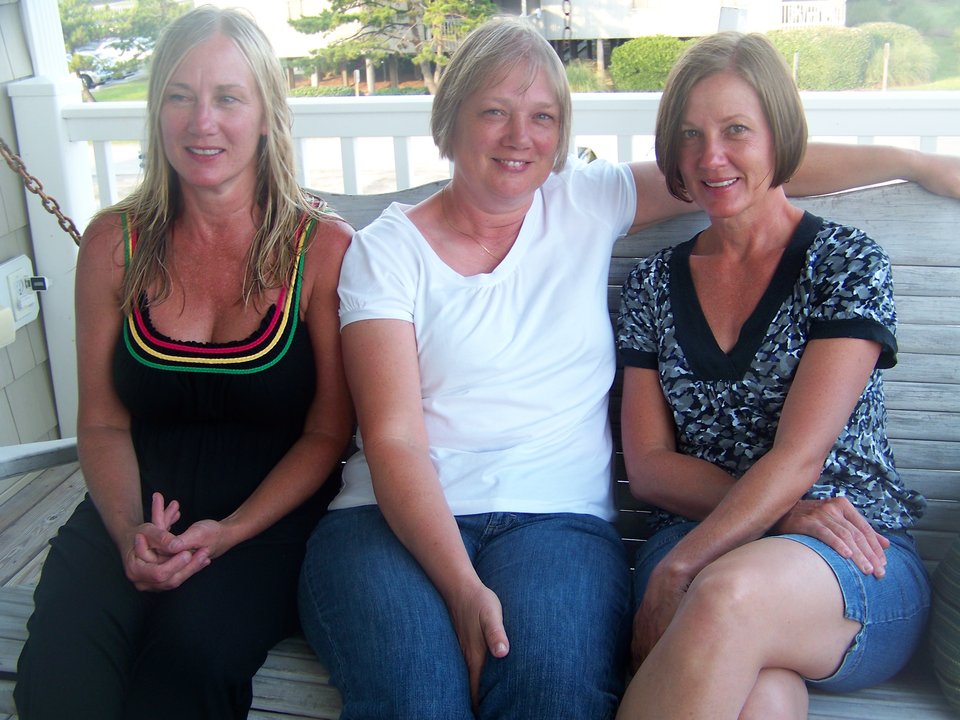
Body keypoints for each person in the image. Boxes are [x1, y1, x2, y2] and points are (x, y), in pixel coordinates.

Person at [296, 17, 960, 720]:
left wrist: (915, 164)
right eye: (493, 111)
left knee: (564, 692)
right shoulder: (395, 251)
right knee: (421, 700)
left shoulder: (588, 203)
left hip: (594, 526)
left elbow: (746, 164)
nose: (519, 136)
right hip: (402, 519)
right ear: (450, 118)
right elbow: (398, 440)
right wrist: (463, 589)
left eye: (542, 116)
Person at [14, 7, 353, 720]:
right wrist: (129, 532)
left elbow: (327, 434)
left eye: (228, 97)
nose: (202, 122)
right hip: (129, 505)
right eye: (179, 95)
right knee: (58, 675)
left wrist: (229, 531)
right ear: (156, 111)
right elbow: (102, 423)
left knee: (187, 668)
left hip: (264, 522)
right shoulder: (114, 243)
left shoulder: (320, 249)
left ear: (266, 116)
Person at [615, 32, 933, 720]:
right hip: (697, 531)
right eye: (691, 135)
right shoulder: (651, 286)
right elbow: (650, 468)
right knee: (761, 700)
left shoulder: (844, 263)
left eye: (736, 130)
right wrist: (776, 515)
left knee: (725, 595)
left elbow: (799, 458)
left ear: (778, 135)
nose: (711, 157)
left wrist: (680, 568)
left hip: (850, 552)